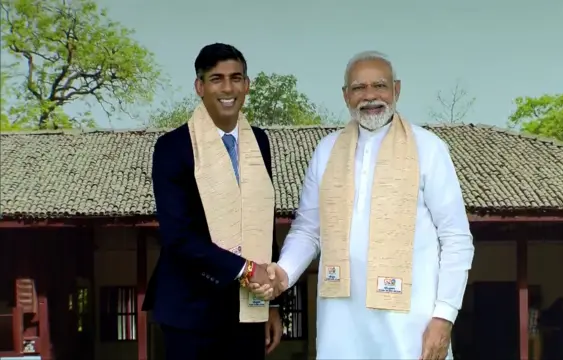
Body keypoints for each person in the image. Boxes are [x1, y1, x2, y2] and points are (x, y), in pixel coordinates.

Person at [252, 51, 475, 359]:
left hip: (411, 327)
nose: (370, 96)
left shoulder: (429, 149)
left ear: (396, 90)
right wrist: (284, 273)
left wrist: (444, 316)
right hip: (341, 326)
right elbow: (308, 230)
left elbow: (456, 239)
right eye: (358, 88)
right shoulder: (326, 151)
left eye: (379, 86)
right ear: (346, 96)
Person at [142, 43, 283, 360]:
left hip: (249, 309)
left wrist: (271, 303)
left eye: (236, 78)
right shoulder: (173, 147)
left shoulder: (258, 141)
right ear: (200, 86)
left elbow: (262, 223)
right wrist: (246, 271)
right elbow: (178, 236)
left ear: (247, 85)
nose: (228, 88)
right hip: (191, 310)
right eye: (217, 78)